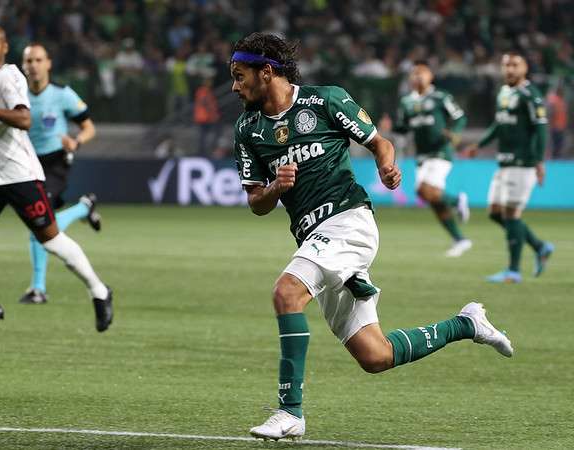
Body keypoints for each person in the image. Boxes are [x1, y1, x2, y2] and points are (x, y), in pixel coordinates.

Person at [229, 32, 513, 441]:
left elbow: (380, 143)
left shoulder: (324, 100)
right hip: (313, 236)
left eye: (240, 76)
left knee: (286, 292)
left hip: (349, 221)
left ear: (266, 72)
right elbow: (256, 201)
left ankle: (290, 412)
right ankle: (466, 324)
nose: (235, 87)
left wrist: (386, 166)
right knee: (375, 355)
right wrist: (276, 188)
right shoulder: (247, 129)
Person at [0, 26, 113, 336]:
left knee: (51, 240)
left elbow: (23, 119)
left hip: (21, 175)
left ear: (4, 47)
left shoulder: (9, 77)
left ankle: (99, 290)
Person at [19, 42, 101, 304]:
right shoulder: (16, 95)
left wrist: (76, 142)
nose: (33, 65)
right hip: (27, 164)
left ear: (48, 64)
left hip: (56, 163)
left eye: (38, 60)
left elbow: (89, 127)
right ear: (23, 66)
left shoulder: (62, 95)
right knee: (43, 223)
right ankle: (83, 208)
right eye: (29, 61)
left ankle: (38, 289)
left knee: (39, 224)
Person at [464, 51, 554, 283]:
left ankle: (513, 271)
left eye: (515, 65)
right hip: (503, 162)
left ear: (525, 68)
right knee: (495, 213)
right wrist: (479, 144)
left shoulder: (530, 95)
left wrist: (538, 161)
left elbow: (541, 129)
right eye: (506, 65)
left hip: (522, 164)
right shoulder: (504, 92)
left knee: (512, 214)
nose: (510, 69)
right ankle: (540, 246)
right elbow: (499, 123)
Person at [393, 61, 471, 256]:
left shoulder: (440, 97)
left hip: (440, 151)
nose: (418, 76)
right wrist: (390, 127)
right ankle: (459, 239)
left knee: (426, 190)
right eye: (414, 73)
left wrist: (455, 132)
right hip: (422, 155)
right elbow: (403, 127)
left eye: (422, 73)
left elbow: (459, 117)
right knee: (429, 197)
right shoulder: (407, 102)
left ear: (430, 76)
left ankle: (457, 200)